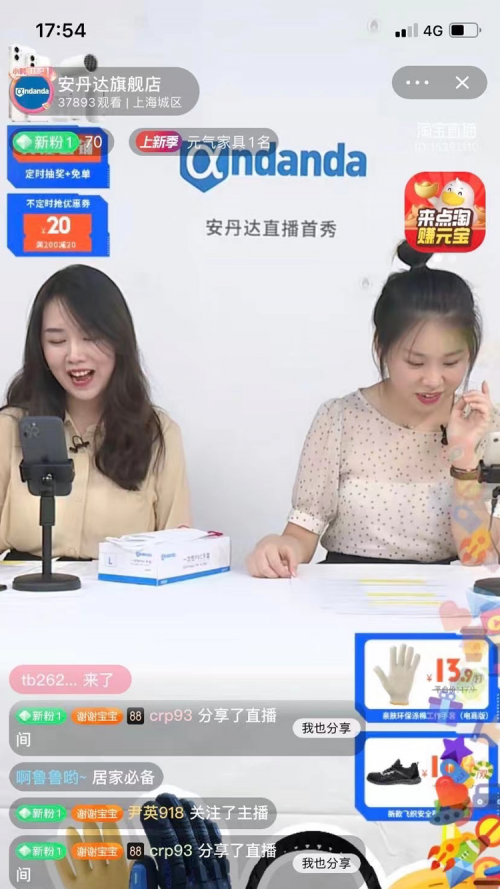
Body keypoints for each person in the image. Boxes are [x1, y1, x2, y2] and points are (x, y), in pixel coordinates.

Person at [247, 242, 500, 577]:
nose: (433, 380)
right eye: (415, 362)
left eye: (451, 362)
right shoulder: (339, 419)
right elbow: (302, 534)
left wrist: (463, 456)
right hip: (342, 588)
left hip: (439, 595)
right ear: (381, 346)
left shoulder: (485, 425)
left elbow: (478, 558)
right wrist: (278, 548)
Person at [0, 265, 191, 560]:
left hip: (120, 588)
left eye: (90, 337)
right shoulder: (9, 428)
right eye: (57, 341)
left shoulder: (158, 433)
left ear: (119, 340)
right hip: (23, 587)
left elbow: (178, 553)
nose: (75, 355)